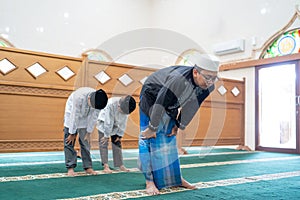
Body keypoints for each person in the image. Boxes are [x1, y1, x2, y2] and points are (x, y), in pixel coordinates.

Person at [138, 52, 219, 195]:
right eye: (208, 77)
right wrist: (152, 128)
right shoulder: (179, 80)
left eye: (214, 78)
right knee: (147, 139)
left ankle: (177, 179)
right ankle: (149, 181)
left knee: (169, 138)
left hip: (171, 102)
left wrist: (179, 125)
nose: (211, 81)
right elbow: (161, 102)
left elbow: (193, 105)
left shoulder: (209, 85)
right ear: (196, 72)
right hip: (152, 96)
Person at [63, 87, 108, 176]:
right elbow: (74, 115)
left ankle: (88, 167)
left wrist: (88, 131)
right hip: (71, 115)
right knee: (69, 141)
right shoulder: (78, 97)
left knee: (85, 142)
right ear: (88, 98)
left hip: (85, 119)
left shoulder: (99, 101)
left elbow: (94, 116)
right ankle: (70, 167)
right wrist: (72, 133)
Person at [96, 95, 136, 173]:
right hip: (104, 123)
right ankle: (105, 165)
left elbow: (124, 122)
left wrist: (120, 135)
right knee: (104, 143)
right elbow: (108, 121)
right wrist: (106, 135)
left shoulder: (127, 107)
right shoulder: (111, 104)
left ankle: (120, 165)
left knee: (117, 142)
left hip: (116, 124)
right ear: (119, 105)